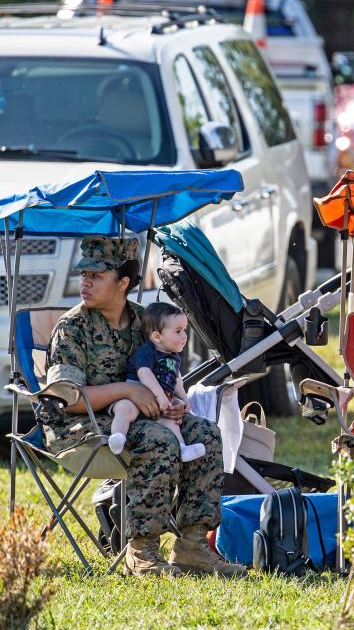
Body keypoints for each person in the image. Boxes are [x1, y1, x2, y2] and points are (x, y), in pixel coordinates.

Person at [40, 236, 245, 577]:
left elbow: (166, 374)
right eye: (84, 274)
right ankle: (141, 548)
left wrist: (175, 403)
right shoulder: (72, 328)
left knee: (206, 434)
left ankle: (193, 546)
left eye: (96, 275)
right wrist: (128, 390)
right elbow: (68, 400)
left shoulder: (145, 322)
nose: (85, 282)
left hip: (145, 419)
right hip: (80, 429)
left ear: (123, 283)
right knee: (157, 440)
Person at [108, 302, 205, 462]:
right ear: (157, 336)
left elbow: (176, 379)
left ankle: (182, 449)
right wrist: (160, 396)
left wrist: (184, 398)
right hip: (135, 396)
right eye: (178, 331)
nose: (184, 336)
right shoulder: (148, 351)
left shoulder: (173, 356)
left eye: (185, 330)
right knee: (125, 409)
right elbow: (144, 373)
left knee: (172, 422)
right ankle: (118, 437)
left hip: (159, 405)